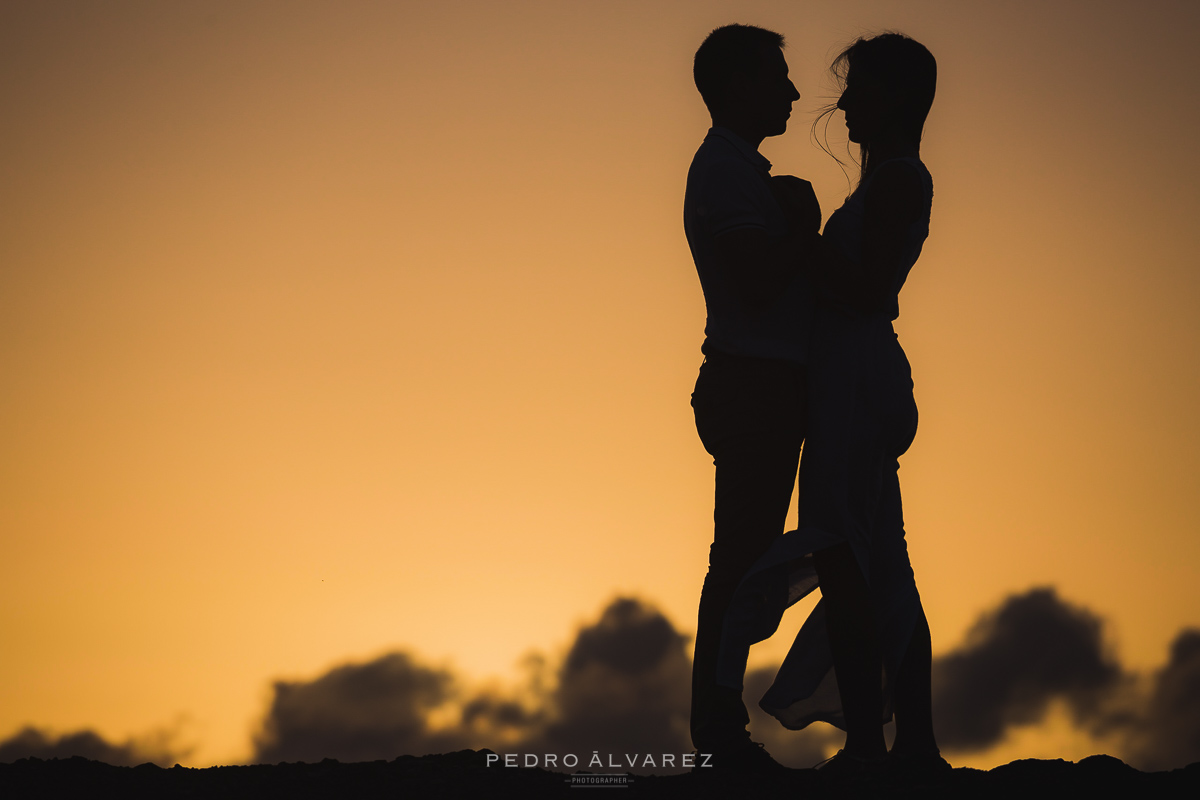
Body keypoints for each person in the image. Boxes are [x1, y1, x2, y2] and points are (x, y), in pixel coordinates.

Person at [713, 32, 948, 777]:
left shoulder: (902, 180)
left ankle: (876, 748)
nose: (843, 103)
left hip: (855, 381)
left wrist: (802, 235)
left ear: (899, 98)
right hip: (851, 378)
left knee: (850, 559)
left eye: (860, 89)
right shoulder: (887, 180)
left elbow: (865, 289)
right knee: (880, 565)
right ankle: (908, 744)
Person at [683, 24, 822, 770]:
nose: (793, 93)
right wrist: (803, 223)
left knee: (749, 555)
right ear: (738, 85)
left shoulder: (737, 171)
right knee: (741, 558)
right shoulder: (727, 174)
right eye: (777, 77)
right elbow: (759, 284)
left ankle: (720, 722)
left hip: (761, 384)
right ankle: (717, 728)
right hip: (752, 385)